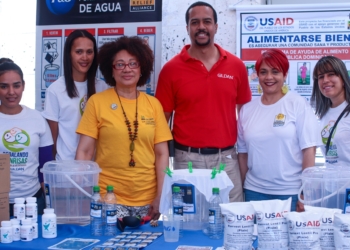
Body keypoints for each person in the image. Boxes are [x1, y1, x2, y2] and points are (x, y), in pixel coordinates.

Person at [155, 1, 251, 202]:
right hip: (186, 160)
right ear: (188, 28)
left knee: (231, 220)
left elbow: (246, 117)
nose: (201, 27)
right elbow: (161, 123)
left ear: (216, 27)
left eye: (207, 21)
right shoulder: (171, 70)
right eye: (195, 22)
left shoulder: (236, 66)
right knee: (190, 222)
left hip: (226, 160)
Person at [75, 36, 172, 220]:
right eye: (119, 64)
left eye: (133, 63)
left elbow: (162, 154)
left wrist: (161, 195)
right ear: (110, 70)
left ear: (141, 67)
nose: (127, 69)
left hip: (148, 200)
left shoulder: (153, 105)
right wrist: (83, 193)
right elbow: (85, 151)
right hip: (108, 198)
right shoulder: (97, 102)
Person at [237, 49, 320, 211]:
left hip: (290, 193)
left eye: (275, 71)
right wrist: (241, 189)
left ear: (285, 74)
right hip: (254, 192)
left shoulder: (297, 104)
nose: (269, 77)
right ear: (257, 76)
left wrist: (305, 193)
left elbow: (309, 150)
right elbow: (242, 154)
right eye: (263, 72)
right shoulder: (247, 110)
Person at [42, 29, 109, 160]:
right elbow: (52, 139)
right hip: (65, 168)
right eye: (79, 52)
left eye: (89, 52)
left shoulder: (103, 87)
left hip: (95, 168)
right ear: (69, 54)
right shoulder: (55, 90)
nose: (85, 57)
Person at [0, 62, 53, 215]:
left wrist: (50, 203)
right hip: (2, 203)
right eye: (4, 86)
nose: (11, 92)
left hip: (33, 201)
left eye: (16, 85)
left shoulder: (37, 118)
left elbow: (45, 166)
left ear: (23, 86)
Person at [311, 56, 350, 166]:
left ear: (343, 79)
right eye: (321, 77)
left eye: (331, 74)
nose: (325, 80)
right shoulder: (323, 114)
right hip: (331, 181)